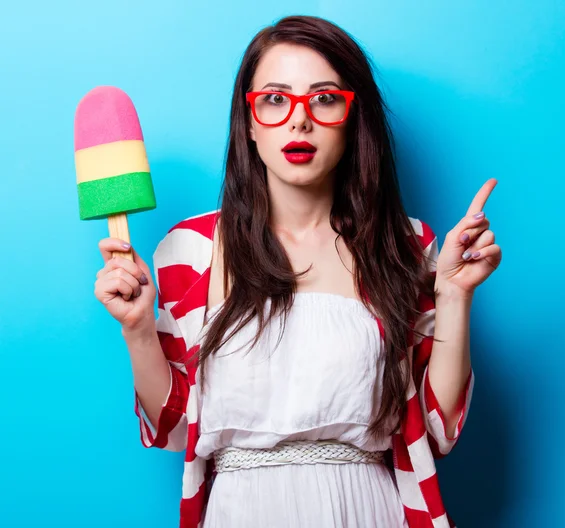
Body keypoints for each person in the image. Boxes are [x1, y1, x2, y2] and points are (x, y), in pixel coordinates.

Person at [94, 15, 501, 528]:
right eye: (275, 99)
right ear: (248, 122)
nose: (299, 121)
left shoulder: (405, 245)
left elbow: (438, 433)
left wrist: (455, 294)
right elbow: (174, 428)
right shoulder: (189, 250)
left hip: (367, 510)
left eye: (325, 99)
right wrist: (136, 330)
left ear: (354, 120)